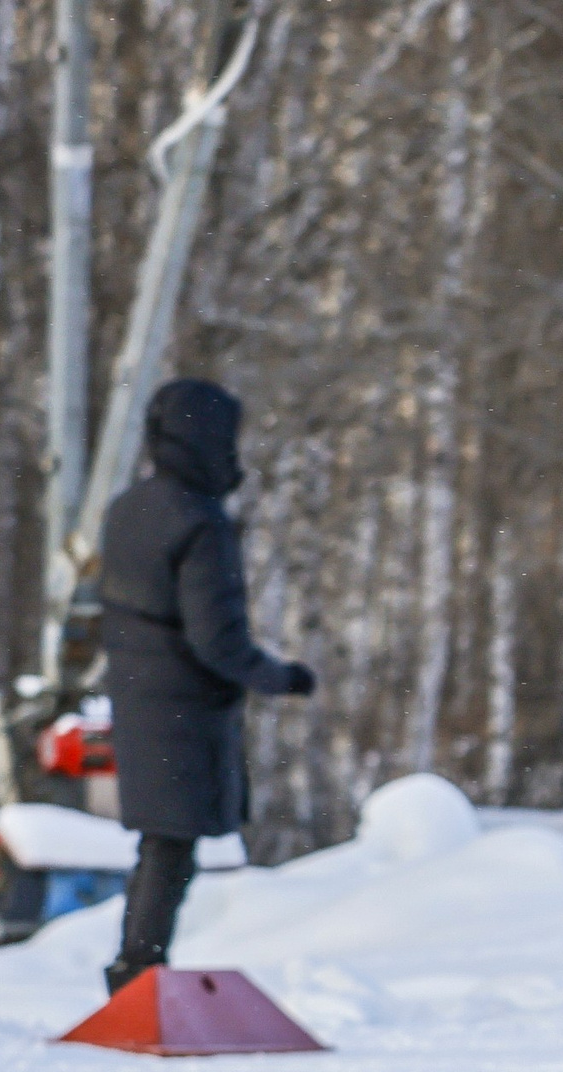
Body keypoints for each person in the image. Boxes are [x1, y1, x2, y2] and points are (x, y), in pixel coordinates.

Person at [96, 378, 315, 995]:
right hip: (182, 705)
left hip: (137, 692)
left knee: (160, 844)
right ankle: (137, 972)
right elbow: (216, 639)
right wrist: (282, 677)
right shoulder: (200, 522)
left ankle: (136, 967)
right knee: (170, 847)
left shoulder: (128, 507)